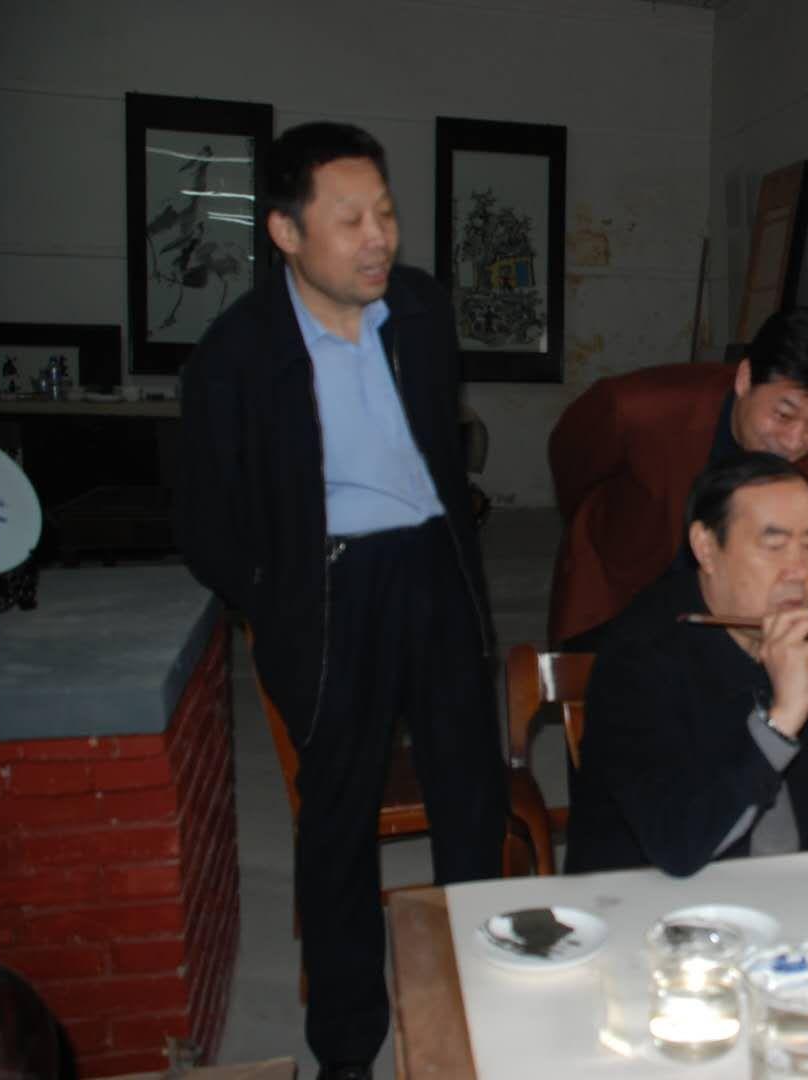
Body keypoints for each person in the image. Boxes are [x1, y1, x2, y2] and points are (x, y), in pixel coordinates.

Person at [176, 122, 507, 1079]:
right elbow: (202, 521)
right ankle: (348, 1051)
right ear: (286, 232)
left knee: (470, 798)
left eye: (386, 215)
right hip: (329, 590)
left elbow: (439, 447)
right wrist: (276, 595)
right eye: (350, 219)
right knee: (337, 825)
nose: (378, 239)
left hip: (434, 571)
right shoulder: (237, 354)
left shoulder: (420, 308)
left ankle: (483, 1008)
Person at [564, 452, 808, 876]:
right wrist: (781, 719)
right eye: (774, 546)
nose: (798, 570)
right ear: (706, 547)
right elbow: (680, 844)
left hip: (790, 887)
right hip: (654, 892)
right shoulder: (641, 654)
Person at [546, 307, 808, 648]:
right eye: (783, 415)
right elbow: (573, 468)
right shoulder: (635, 410)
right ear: (745, 378)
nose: (793, 442)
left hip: (723, 597)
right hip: (621, 582)